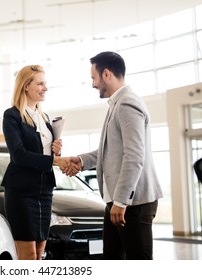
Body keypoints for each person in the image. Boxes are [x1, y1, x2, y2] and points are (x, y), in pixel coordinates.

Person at [65, 51, 163, 260]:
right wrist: (82, 161)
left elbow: (134, 155)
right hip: (118, 201)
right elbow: (112, 150)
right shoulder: (117, 104)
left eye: (94, 78)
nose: (93, 84)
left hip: (132, 203)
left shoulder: (127, 103)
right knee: (112, 258)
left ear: (106, 74)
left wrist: (120, 201)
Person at [1, 65, 71, 260]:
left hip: (44, 191)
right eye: (40, 83)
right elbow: (19, 155)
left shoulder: (44, 118)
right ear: (25, 86)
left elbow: (44, 152)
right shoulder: (12, 115)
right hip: (21, 192)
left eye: (45, 83)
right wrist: (54, 160)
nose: (45, 88)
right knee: (28, 255)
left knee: (40, 253)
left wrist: (56, 149)